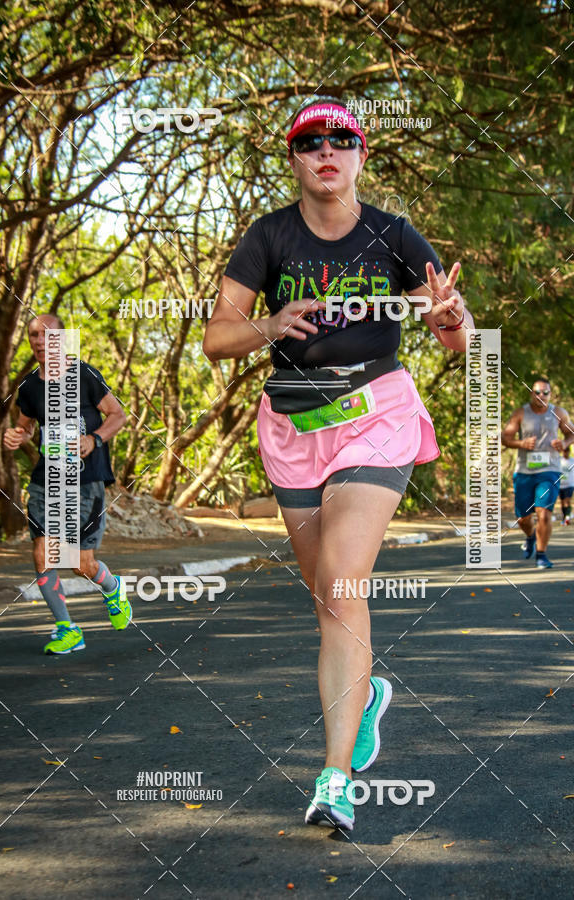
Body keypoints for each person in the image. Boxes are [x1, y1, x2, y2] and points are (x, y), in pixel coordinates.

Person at [203, 97, 474, 831]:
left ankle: (335, 779)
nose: (328, 150)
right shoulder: (269, 236)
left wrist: (450, 317)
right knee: (329, 604)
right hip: (292, 428)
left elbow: (456, 330)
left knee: (342, 581)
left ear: (361, 154)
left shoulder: (391, 232)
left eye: (342, 139)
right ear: (294, 158)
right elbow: (215, 338)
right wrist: (266, 324)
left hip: (377, 414)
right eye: (311, 141)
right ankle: (367, 697)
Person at [3, 313, 132, 654]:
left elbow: (118, 415)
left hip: (85, 479)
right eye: (33, 335)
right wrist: (18, 435)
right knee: (43, 553)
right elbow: (27, 425)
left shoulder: (85, 375)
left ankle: (111, 586)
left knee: (79, 563)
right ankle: (67, 628)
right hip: (47, 479)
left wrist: (95, 439)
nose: (39, 340)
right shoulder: (30, 386)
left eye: (47, 334)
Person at [501, 378, 574, 568]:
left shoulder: (558, 413)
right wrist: (521, 443)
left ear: (551, 394)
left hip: (549, 470)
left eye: (545, 392)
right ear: (531, 393)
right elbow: (505, 438)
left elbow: (571, 434)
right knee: (523, 518)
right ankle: (531, 536)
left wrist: (564, 443)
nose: (541, 396)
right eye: (537, 392)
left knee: (544, 512)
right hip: (524, 471)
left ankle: (541, 554)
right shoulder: (520, 413)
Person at [559, 447, 574, 524]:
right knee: (562, 502)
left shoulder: (572, 461)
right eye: (564, 451)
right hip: (560, 485)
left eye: (567, 451)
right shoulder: (559, 460)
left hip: (570, 484)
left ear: (569, 452)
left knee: (567, 501)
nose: (565, 453)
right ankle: (564, 518)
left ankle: (567, 518)